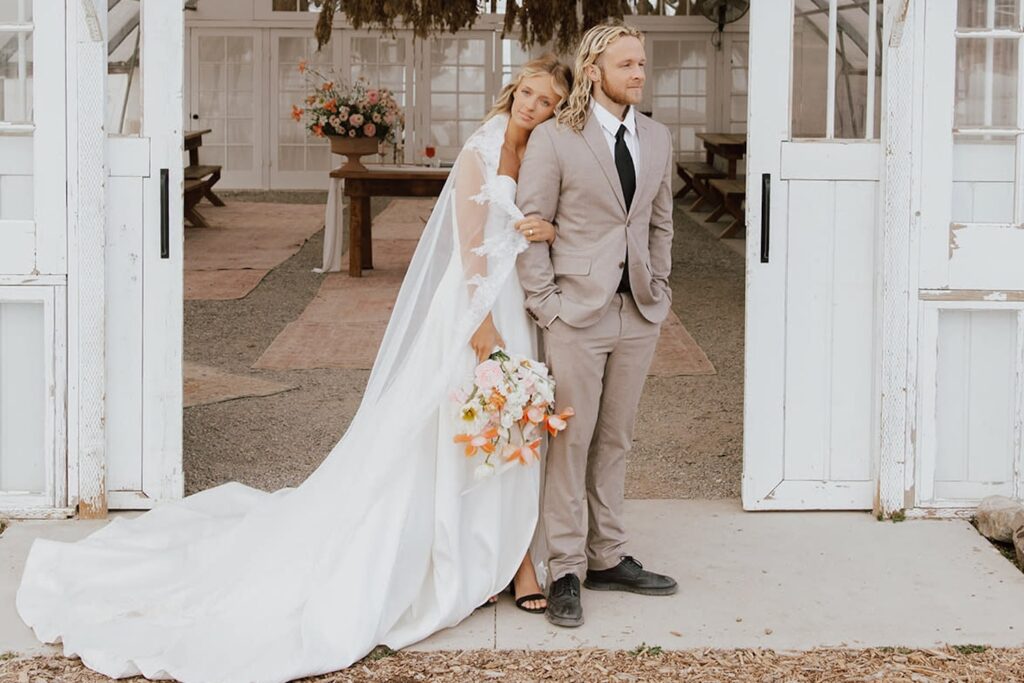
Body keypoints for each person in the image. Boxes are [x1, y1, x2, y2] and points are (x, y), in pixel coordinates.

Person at [15, 55, 572, 683]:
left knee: (511, 425)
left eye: (546, 100)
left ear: (558, 109)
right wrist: (481, 326)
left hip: (515, 300)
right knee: (453, 425)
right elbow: (471, 245)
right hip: (477, 304)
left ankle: (510, 555)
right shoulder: (482, 146)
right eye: (527, 92)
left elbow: (536, 222)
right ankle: (473, 552)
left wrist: (546, 230)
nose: (531, 105)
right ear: (512, 90)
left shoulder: (546, 150)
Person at [516, 23, 678, 629]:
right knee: (572, 440)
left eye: (642, 63)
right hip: (575, 314)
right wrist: (546, 304)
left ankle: (606, 554)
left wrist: (657, 289)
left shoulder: (657, 137)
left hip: (637, 310)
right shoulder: (556, 138)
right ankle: (565, 567)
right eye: (627, 64)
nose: (639, 73)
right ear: (594, 71)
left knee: (617, 437)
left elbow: (660, 223)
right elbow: (532, 222)